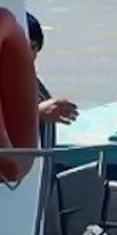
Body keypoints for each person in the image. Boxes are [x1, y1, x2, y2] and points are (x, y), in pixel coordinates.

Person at [26, 12, 79, 148]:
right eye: (24, 46)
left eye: (33, 48)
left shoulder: (33, 82)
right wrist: (37, 113)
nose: (29, 54)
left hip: (44, 163)